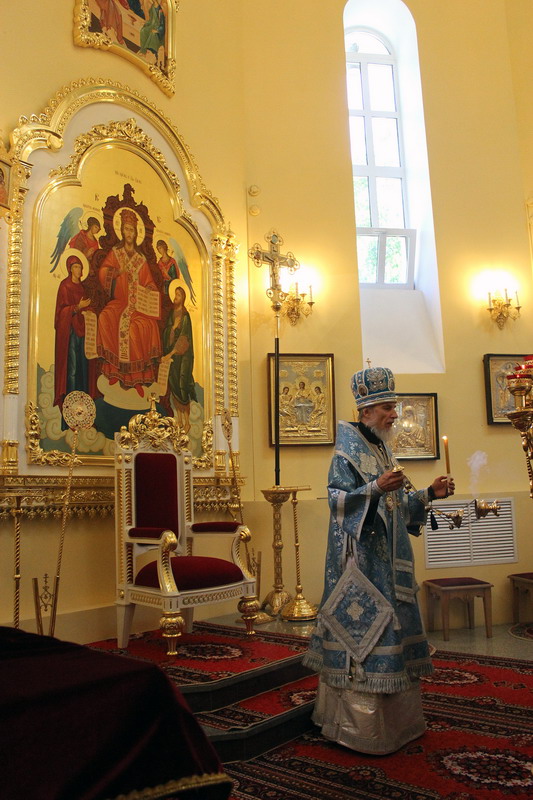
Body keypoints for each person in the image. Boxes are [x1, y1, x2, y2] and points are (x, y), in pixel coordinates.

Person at [303, 365, 454, 755]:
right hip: (361, 567)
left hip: (390, 567)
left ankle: (397, 725)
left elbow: (397, 505)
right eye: (387, 407)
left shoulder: (381, 448)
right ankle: (358, 729)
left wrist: (429, 494)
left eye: (394, 406)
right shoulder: (347, 451)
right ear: (366, 411)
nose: (394, 414)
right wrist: (373, 488)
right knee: (366, 640)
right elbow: (338, 502)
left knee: (393, 635)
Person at [97, 208, 161, 396]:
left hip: (138, 307)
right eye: (126, 229)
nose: (129, 233)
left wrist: (149, 289)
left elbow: (149, 282)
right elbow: (103, 272)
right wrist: (117, 272)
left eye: (132, 230)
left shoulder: (141, 259)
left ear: (136, 233)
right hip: (120, 302)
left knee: (138, 327)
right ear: (122, 231)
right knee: (105, 317)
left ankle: (136, 378)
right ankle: (115, 371)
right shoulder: (116, 253)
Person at [53, 255, 94, 425]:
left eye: (80, 267)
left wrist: (87, 312)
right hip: (70, 333)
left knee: (83, 369)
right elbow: (61, 312)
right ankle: (69, 412)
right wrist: (78, 307)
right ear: (70, 268)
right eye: (76, 266)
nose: (79, 270)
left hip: (82, 333)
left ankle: (83, 411)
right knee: (72, 369)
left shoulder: (82, 288)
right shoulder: (65, 286)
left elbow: (85, 308)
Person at [161, 284, 196, 432]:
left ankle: (187, 422)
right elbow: (167, 332)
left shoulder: (185, 316)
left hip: (183, 359)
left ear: (183, 298)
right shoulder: (171, 314)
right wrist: (171, 329)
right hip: (173, 358)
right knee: (174, 385)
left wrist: (171, 353)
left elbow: (184, 338)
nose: (176, 298)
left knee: (182, 386)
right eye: (175, 295)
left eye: (179, 295)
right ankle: (179, 420)